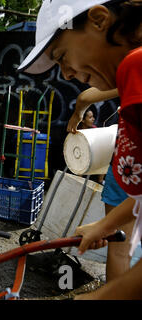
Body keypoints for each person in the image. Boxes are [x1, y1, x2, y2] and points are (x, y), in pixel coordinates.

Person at [18, 0, 142, 299]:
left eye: (62, 57)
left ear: (99, 20)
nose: (66, 75)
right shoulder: (130, 80)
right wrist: (105, 224)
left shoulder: (135, 67)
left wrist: (101, 297)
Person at [69, 87, 132, 283]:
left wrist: (77, 115)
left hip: (125, 169)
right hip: (126, 173)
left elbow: (84, 97)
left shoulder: (134, 68)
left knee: (120, 252)